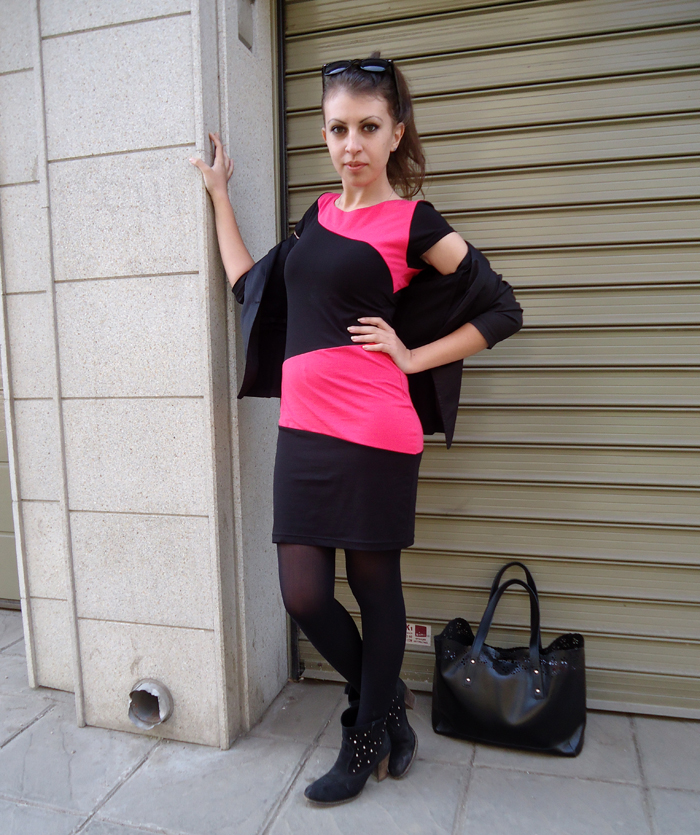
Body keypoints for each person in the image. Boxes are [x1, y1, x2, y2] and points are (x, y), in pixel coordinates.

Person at [190, 54, 522, 806]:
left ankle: (365, 732)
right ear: (324, 133)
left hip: (376, 432)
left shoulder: (414, 221)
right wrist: (219, 196)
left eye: (369, 128)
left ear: (395, 133)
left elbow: (502, 307)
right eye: (339, 128)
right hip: (304, 432)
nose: (352, 145)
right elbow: (250, 288)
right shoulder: (316, 218)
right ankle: (388, 705)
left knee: (376, 590)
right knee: (304, 595)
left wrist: (412, 355)